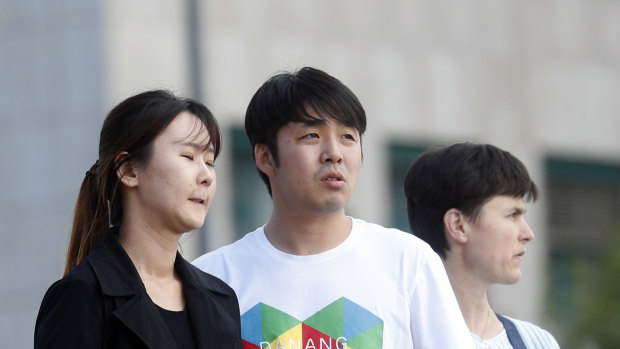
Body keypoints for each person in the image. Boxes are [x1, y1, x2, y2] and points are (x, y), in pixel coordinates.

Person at [193, 67, 473, 348]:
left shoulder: (408, 262)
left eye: (348, 137)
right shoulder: (214, 279)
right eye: (312, 136)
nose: (335, 153)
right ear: (265, 157)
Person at [35, 90, 243, 348]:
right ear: (129, 169)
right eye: (188, 156)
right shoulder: (82, 295)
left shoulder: (221, 299)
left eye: (210, 161)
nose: (207, 176)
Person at [404, 142, 560, 348]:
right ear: (458, 225)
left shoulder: (536, 343)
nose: (528, 234)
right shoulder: (394, 338)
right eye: (512, 215)